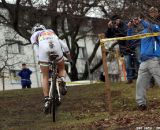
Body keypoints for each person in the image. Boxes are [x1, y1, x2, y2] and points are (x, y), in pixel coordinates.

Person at [30, 23, 72, 114]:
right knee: (61, 67)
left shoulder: (34, 36)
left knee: (45, 76)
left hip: (43, 51)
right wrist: (69, 58)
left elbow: (36, 49)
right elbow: (64, 46)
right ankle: (62, 81)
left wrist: (40, 59)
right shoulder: (51, 32)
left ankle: (46, 100)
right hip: (56, 48)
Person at [133, 7, 160, 111]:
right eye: (150, 12)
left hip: (154, 59)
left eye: (154, 12)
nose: (152, 14)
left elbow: (153, 27)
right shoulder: (144, 31)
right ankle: (141, 104)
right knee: (140, 83)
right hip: (143, 61)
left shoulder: (156, 27)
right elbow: (131, 39)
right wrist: (131, 27)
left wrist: (141, 21)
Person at [105, 15, 135, 84]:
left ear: (119, 19)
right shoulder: (115, 27)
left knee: (137, 62)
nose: (115, 22)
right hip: (124, 49)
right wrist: (109, 28)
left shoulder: (125, 24)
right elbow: (108, 36)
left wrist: (116, 28)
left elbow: (125, 33)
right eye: (114, 21)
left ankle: (138, 77)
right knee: (127, 64)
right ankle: (130, 78)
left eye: (116, 21)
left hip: (132, 46)